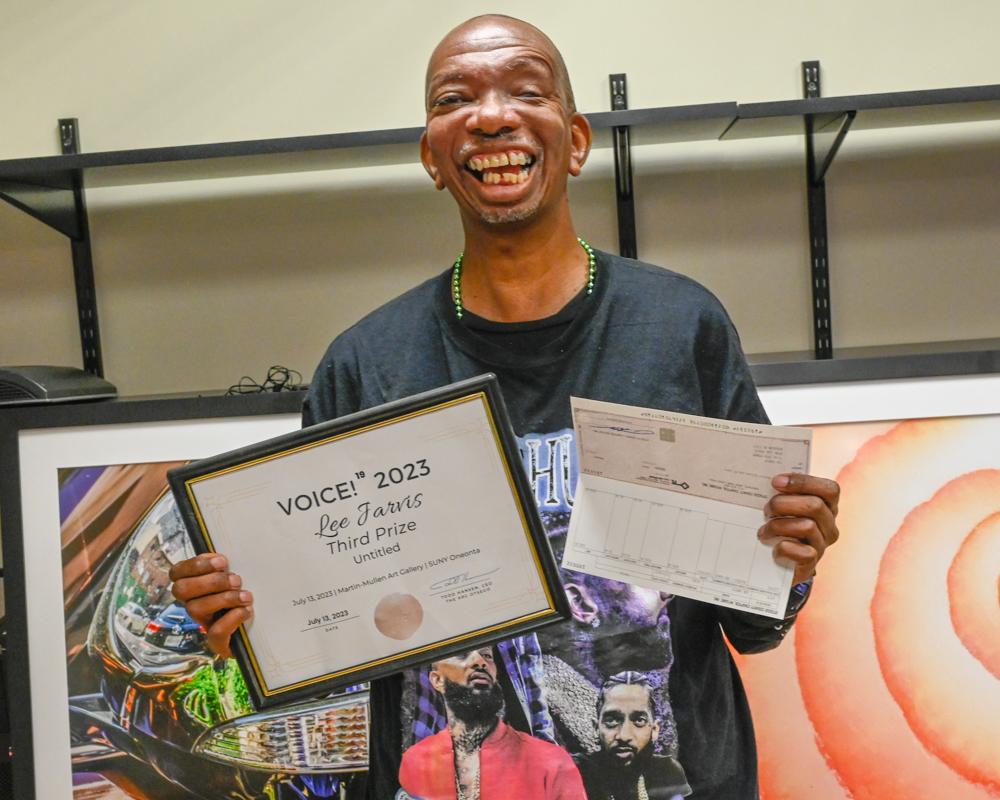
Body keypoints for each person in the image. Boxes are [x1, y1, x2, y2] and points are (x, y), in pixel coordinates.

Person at [170, 14, 841, 799]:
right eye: (456, 98)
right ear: (432, 155)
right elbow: (328, 646)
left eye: (526, 90)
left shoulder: (678, 327)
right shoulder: (367, 364)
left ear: (577, 140)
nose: (491, 116)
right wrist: (237, 620)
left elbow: (756, 629)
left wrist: (790, 562)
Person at [397, 648, 585, 800]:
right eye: (462, 654)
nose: (480, 662)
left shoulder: (551, 762)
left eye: (487, 655)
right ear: (437, 680)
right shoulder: (416, 761)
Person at [575, 672, 690, 800]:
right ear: (596, 727)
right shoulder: (577, 771)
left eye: (639, 720)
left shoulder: (666, 770)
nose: (624, 736)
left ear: (655, 729)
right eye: (612, 720)